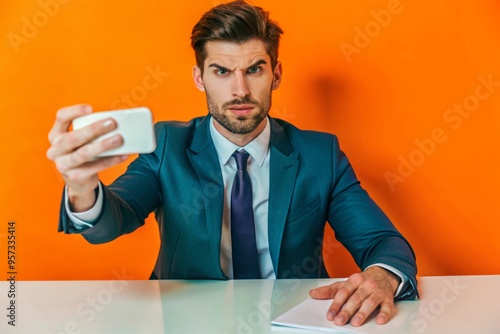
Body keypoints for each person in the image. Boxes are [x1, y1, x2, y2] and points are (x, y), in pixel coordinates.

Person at [47, 0, 418, 327]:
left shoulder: (320, 154)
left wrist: (383, 276)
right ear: (200, 78)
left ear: (276, 74)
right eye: (222, 71)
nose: (239, 90)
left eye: (254, 69)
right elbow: (115, 219)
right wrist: (82, 187)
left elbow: (381, 241)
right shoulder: (167, 147)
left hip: (294, 321)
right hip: (189, 320)